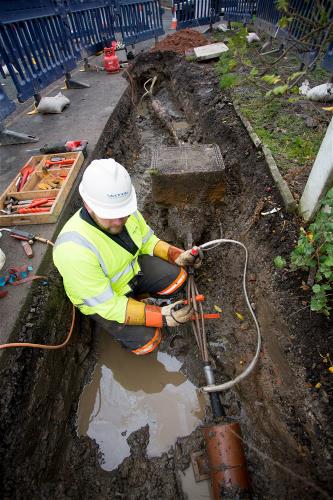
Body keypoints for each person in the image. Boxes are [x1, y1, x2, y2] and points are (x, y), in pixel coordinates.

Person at [53, 159, 203, 355]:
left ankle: (139, 301)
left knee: (178, 279)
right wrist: (161, 316)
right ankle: (129, 320)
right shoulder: (74, 250)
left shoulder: (126, 212)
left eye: (122, 213)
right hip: (104, 302)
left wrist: (175, 255)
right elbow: (108, 304)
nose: (119, 221)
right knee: (149, 342)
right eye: (110, 214)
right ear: (88, 205)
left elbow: (148, 241)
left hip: (132, 273)